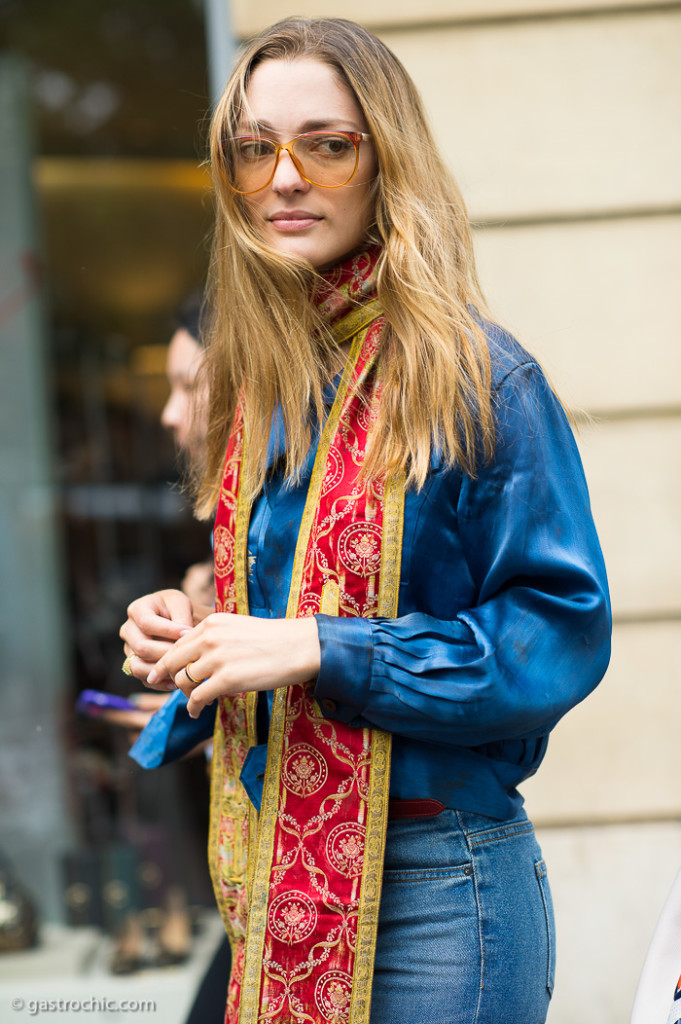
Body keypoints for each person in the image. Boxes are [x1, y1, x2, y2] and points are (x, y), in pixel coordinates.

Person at [120, 17, 611, 1024]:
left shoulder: (479, 377)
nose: (286, 175)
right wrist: (195, 643)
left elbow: (558, 638)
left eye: (326, 143)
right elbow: (281, 635)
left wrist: (314, 647)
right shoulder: (266, 384)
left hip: (437, 888)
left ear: (385, 157)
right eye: (256, 148)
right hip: (276, 887)